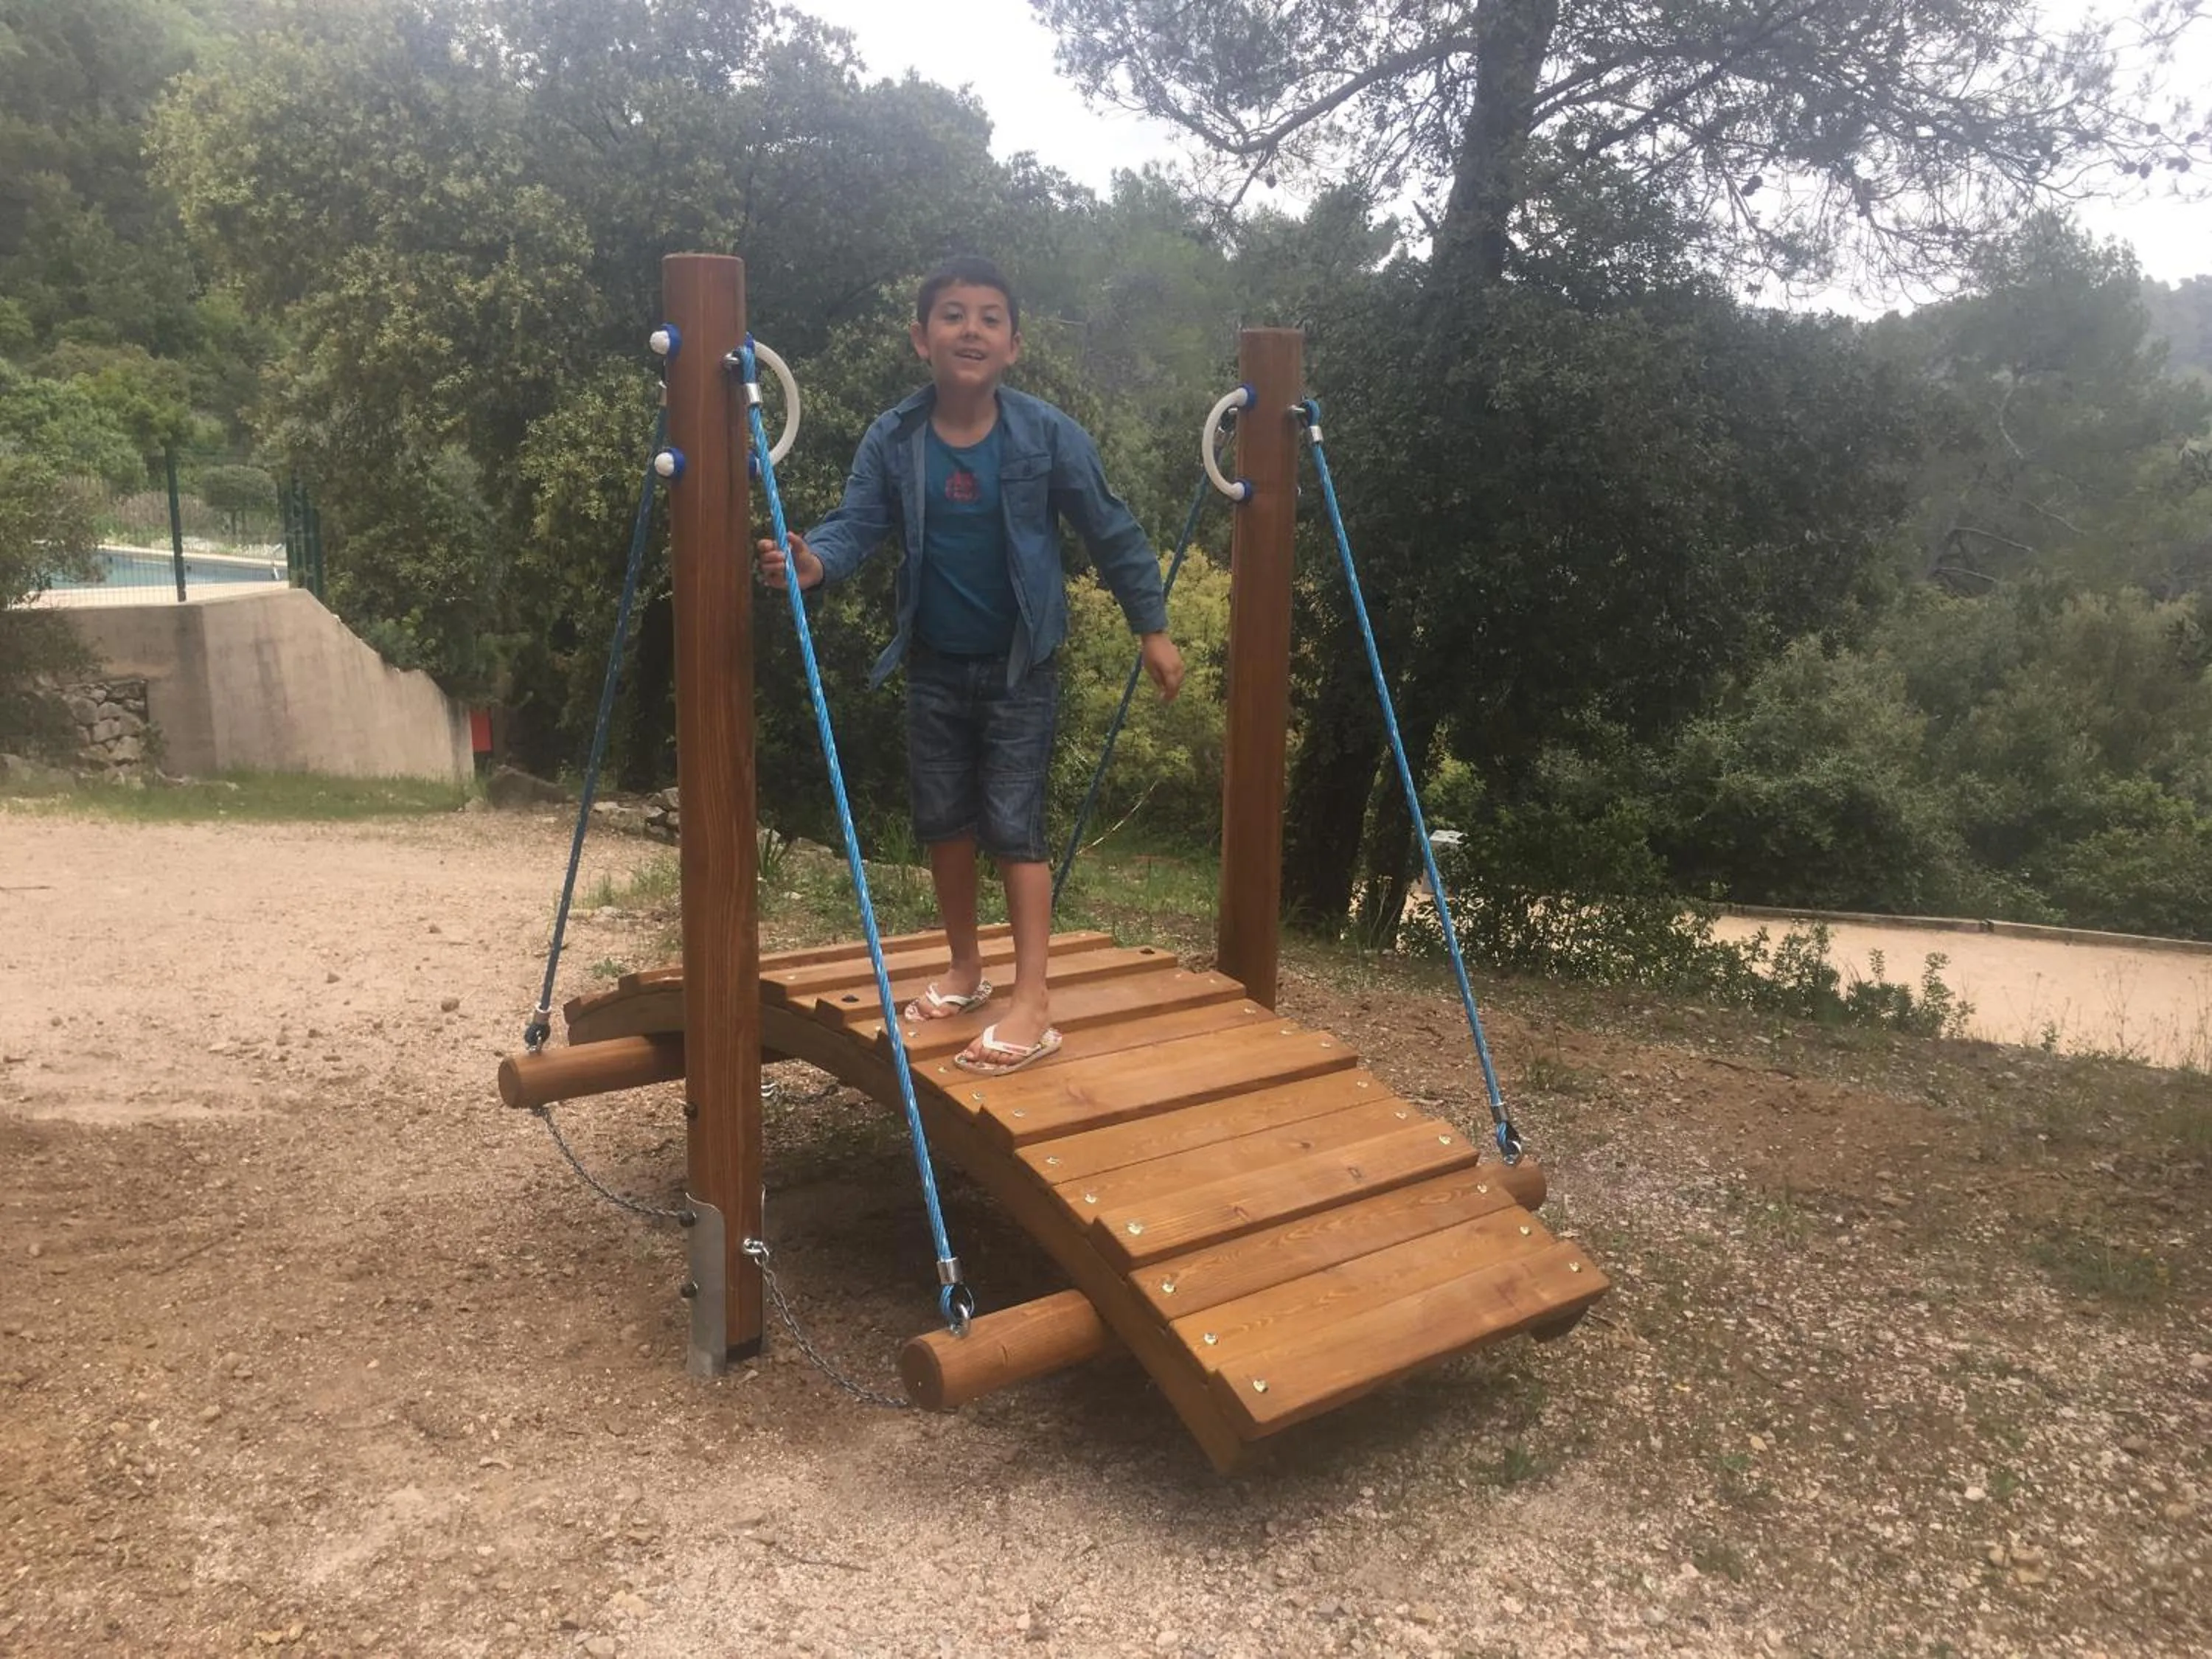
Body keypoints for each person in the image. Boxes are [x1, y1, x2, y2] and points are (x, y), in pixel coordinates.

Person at [757, 255, 1184, 1076]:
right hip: (934, 665)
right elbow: (856, 523)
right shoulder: (896, 436)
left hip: (1023, 667)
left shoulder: (1047, 434)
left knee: (1014, 827)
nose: (972, 329)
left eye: (990, 317)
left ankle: (1034, 999)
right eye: (953, 315)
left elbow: (1112, 530)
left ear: (1014, 345)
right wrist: (815, 565)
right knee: (945, 823)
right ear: (922, 338)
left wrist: (1152, 627)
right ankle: (965, 967)